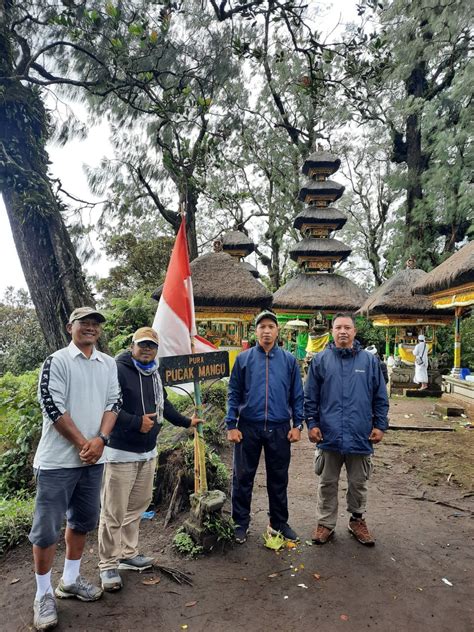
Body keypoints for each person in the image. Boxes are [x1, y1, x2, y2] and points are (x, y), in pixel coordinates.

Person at [30, 307, 121, 631]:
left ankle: (69, 580)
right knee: (46, 529)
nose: (91, 328)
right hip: (57, 462)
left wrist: (101, 441)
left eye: (96, 323)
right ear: (70, 327)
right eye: (84, 323)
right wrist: (87, 443)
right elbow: (53, 406)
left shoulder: (108, 363)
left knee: (82, 521)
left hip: (93, 460)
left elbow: (114, 403)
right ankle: (42, 595)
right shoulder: (57, 361)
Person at [98, 327, 201, 591]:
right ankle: (108, 564)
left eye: (151, 346)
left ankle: (128, 554)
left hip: (148, 451)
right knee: (114, 509)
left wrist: (187, 421)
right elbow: (107, 406)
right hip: (121, 451)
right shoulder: (117, 369)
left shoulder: (155, 372)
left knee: (139, 504)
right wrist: (135, 423)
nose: (146, 349)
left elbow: (163, 405)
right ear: (132, 346)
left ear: (157, 350)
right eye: (142, 345)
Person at [304, 313, 389, 547]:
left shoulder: (370, 362)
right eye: (338, 327)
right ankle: (325, 524)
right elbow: (310, 398)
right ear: (332, 331)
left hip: (360, 434)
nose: (343, 331)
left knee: (358, 482)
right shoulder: (321, 361)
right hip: (329, 434)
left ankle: (357, 520)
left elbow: (380, 397)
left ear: (354, 332)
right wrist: (312, 424)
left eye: (347, 328)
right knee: (327, 481)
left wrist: (380, 425)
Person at [225, 310, 304, 544]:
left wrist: (297, 424)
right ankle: (240, 522)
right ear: (256, 331)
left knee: (278, 478)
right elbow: (234, 393)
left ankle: (278, 522)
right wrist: (231, 424)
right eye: (262, 327)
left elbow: (297, 395)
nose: (267, 331)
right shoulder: (244, 359)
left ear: (277, 331)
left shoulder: (289, 360)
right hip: (248, 426)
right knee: (242, 477)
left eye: (271, 326)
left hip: (280, 428)